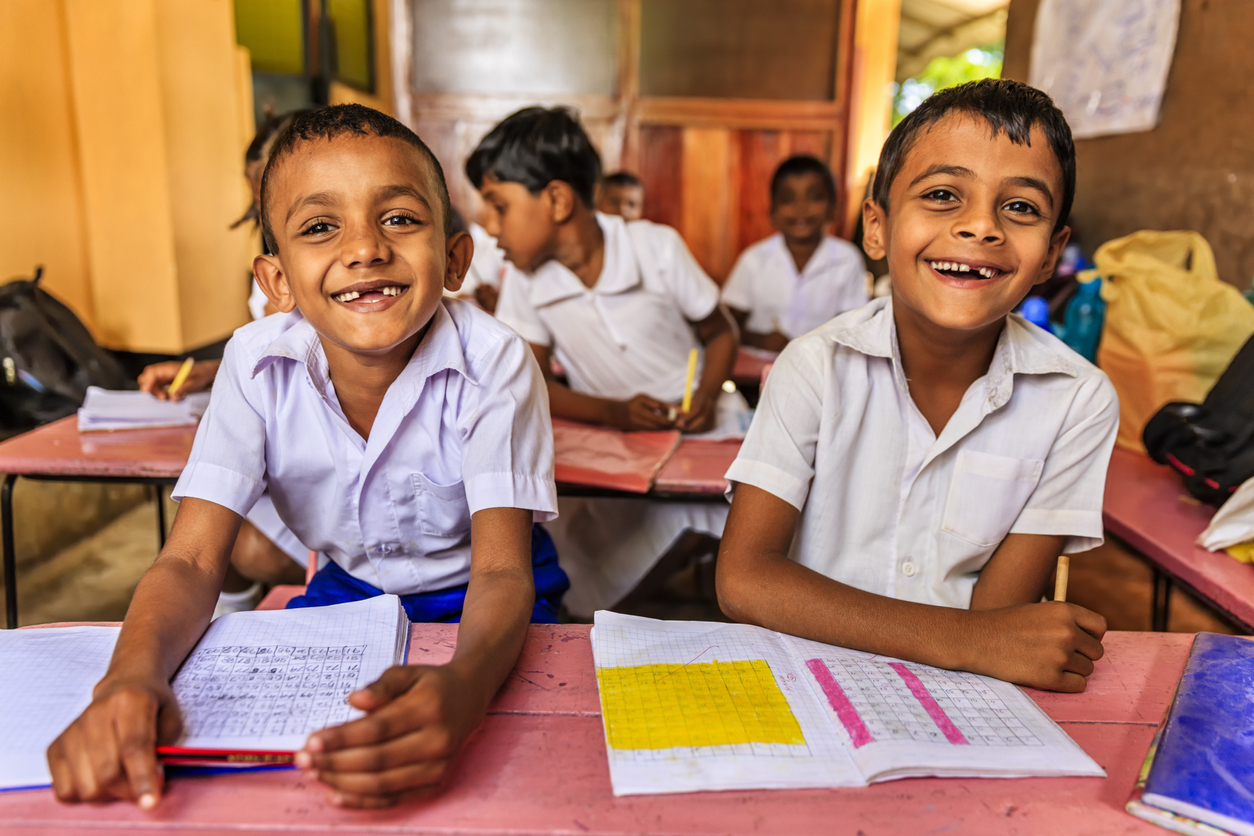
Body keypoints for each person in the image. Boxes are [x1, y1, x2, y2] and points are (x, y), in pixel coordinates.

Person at [48, 104, 566, 808]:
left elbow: (502, 571)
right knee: (289, 786)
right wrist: (129, 678)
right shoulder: (255, 363)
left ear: (454, 259)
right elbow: (193, 559)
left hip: (489, 597)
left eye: (400, 218)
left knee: (524, 769)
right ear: (276, 281)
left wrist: (467, 689)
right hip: (349, 593)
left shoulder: (496, 363)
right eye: (321, 227)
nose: (365, 249)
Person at [716, 79, 1118, 693]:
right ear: (876, 228)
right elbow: (744, 579)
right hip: (806, 680)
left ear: (1050, 255)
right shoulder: (815, 366)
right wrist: (967, 641)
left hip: (964, 700)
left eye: (1021, 207)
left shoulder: (1077, 399)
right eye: (941, 195)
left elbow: (996, 619)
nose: (981, 226)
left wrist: (982, 641)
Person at [467, 106, 742, 617]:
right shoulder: (526, 283)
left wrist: (704, 397)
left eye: (498, 206)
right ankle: (608, 625)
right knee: (575, 551)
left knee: (736, 531)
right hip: (620, 442)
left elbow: (721, 331)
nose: (490, 226)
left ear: (555, 200)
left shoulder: (654, 248)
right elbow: (531, 383)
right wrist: (614, 413)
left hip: (703, 431)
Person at [139, 110, 311, 616]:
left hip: (322, 473)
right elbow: (275, 349)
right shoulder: (265, 271)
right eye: (259, 197)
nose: (265, 210)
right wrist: (206, 370)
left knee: (236, 543)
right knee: (208, 530)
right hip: (281, 456)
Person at [722, 155, 868, 352]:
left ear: (834, 209)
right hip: (758, 369)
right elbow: (725, 324)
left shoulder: (847, 260)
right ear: (772, 212)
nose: (801, 208)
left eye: (815, 197)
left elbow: (855, 326)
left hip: (821, 372)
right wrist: (760, 340)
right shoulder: (754, 259)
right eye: (788, 199)